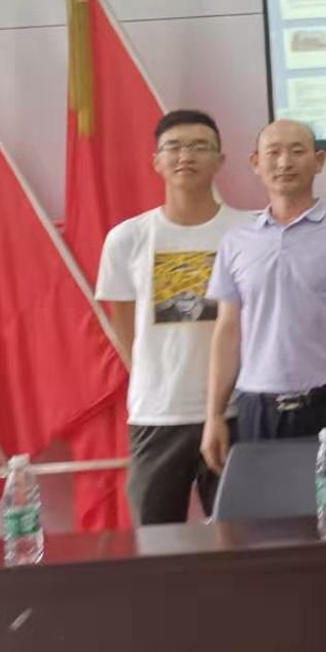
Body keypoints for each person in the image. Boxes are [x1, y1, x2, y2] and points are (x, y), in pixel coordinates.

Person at [201, 119, 326, 474]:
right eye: (273, 152)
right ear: (256, 163)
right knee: (269, 509)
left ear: (319, 161)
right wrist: (214, 415)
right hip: (259, 408)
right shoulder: (236, 241)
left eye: (297, 151)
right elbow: (227, 330)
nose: (285, 162)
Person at [94, 110, 248, 525]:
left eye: (200, 147)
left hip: (235, 409)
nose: (186, 156)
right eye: (174, 147)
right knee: (155, 536)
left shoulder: (248, 231)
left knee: (239, 536)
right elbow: (123, 320)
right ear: (156, 161)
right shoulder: (127, 238)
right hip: (157, 412)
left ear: (220, 160)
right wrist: (154, 375)